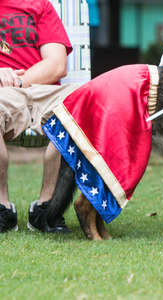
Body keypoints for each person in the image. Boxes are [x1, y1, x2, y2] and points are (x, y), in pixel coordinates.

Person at [0, 0, 81, 233]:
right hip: (2, 93)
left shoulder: (38, 5)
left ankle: (47, 208)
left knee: (80, 103)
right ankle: (2, 208)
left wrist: (19, 81)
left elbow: (57, 65)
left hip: (45, 91)